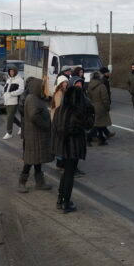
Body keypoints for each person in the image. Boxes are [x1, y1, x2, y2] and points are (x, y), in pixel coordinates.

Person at [52, 85, 95, 213]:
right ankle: (65, 202)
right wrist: (89, 109)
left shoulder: (60, 109)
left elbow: (55, 126)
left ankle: (60, 199)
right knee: (69, 174)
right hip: (72, 147)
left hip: (61, 145)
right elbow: (88, 125)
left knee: (65, 173)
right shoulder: (78, 112)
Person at [19, 77, 54, 193]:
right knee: (29, 161)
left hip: (37, 135)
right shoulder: (32, 99)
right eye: (42, 86)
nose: (43, 88)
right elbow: (34, 116)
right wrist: (45, 125)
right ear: (37, 87)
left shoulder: (36, 98)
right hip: (33, 135)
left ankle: (40, 182)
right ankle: (21, 183)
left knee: (38, 160)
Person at [87, 71, 111, 146]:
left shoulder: (90, 85)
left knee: (100, 124)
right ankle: (89, 137)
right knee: (98, 124)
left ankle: (102, 140)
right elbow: (105, 98)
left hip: (93, 105)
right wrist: (107, 107)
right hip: (101, 107)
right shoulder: (101, 86)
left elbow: (89, 96)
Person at [2, 66, 25, 139]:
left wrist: (12, 94)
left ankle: (9, 132)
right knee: (11, 116)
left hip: (14, 101)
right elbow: (5, 88)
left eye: (12, 71)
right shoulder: (9, 80)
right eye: (10, 71)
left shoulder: (19, 80)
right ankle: (21, 126)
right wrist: (5, 94)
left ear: (15, 71)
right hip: (7, 101)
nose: (11, 73)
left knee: (9, 117)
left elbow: (21, 90)